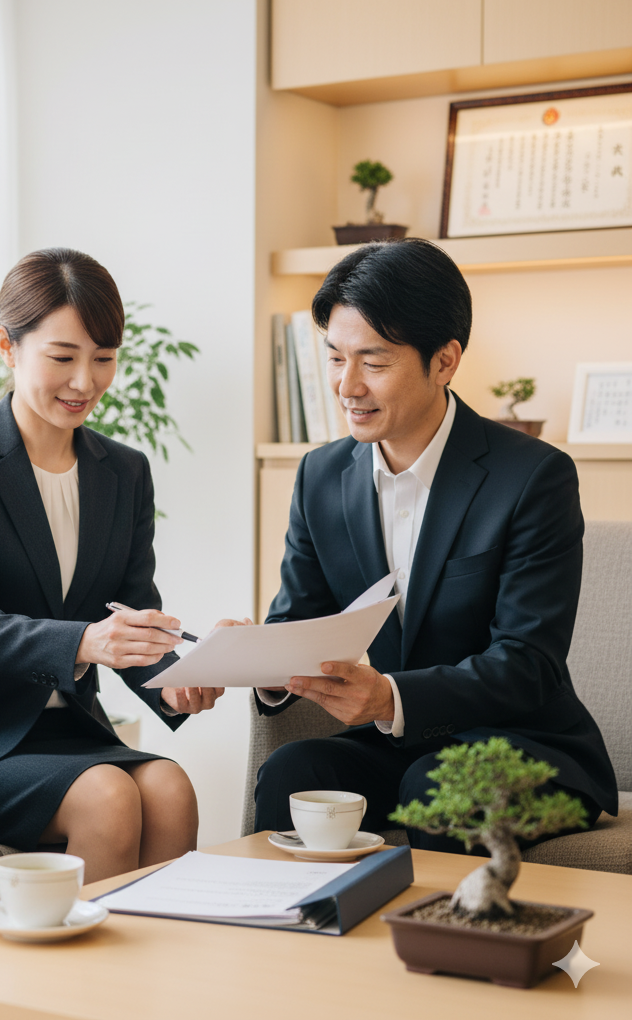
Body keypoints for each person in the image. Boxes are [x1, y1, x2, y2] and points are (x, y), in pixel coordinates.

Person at [252, 238, 618, 850]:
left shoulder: (531, 477)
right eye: (336, 358)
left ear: (444, 361)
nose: (347, 385)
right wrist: (256, 660)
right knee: (295, 773)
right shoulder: (321, 476)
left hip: (525, 746)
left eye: (373, 362)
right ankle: (293, 933)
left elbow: (529, 663)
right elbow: (299, 620)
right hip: (404, 746)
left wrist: (390, 696)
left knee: (434, 784)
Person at [0, 247, 225, 882]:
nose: (86, 382)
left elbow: (128, 617)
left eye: (103, 359)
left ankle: (152, 977)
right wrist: (88, 642)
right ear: (7, 347)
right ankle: (78, 983)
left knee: (172, 788)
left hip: (70, 732)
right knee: (109, 795)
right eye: (63, 357)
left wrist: (180, 677)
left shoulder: (124, 471)